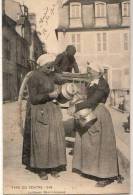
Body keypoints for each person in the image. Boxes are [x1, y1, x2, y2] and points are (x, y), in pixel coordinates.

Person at [72, 63, 122, 187]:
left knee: (102, 145)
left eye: (91, 70)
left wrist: (77, 106)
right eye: (88, 70)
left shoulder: (102, 84)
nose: (89, 72)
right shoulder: (92, 82)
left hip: (99, 113)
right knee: (89, 140)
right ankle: (91, 170)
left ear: (98, 73)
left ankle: (107, 176)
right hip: (90, 111)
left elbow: (94, 100)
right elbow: (88, 98)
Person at [22, 53, 66, 180]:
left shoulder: (51, 76)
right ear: (41, 65)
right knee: (42, 141)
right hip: (39, 111)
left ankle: (53, 167)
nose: (50, 69)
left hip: (52, 111)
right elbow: (34, 99)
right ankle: (41, 169)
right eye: (48, 66)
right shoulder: (34, 77)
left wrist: (63, 92)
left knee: (53, 140)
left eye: (51, 66)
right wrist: (49, 96)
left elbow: (59, 87)